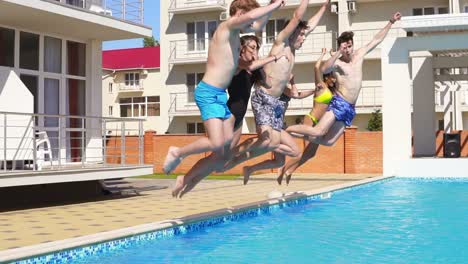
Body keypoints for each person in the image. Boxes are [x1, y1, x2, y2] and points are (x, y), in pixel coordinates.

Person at [162, 0, 285, 178]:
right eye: (249, 19)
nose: (252, 25)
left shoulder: (235, 39)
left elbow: (257, 22)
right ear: (239, 13)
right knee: (216, 142)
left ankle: (185, 167)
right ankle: (177, 152)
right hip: (208, 92)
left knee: (227, 141)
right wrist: (274, 5)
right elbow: (252, 17)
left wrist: (272, 8)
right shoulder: (226, 27)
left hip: (219, 95)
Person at [223, 0, 330, 184]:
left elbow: (309, 25)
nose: (304, 39)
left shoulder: (293, 53)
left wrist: (324, 6)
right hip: (264, 97)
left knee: (282, 154)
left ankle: (245, 163)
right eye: (301, 35)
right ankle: (236, 156)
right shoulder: (282, 43)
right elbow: (298, 17)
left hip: (277, 104)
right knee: (266, 142)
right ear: (293, 31)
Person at [173, 35, 287, 197]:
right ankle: (185, 179)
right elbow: (250, 64)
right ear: (242, 48)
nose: (255, 51)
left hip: (239, 119)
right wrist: (274, 57)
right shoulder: (235, 62)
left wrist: (261, 64)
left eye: (257, 48)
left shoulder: (252, 68)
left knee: (222, 160)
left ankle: (192, 181)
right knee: (217, 157)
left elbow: (267, 83)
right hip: (230, 114)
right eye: (252, 48)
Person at [286, 12, 402, 147]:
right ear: (341, 48)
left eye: (349, 46)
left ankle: (296, 133)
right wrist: (338, 53)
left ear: (353, 45)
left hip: (350, 108)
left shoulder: (359, 54)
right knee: (318, 131)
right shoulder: (338, 63)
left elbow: (376, 39)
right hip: (339, 103)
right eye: (345, 48)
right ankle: (286, 130)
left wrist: (391, 22)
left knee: (328, 142)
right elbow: (324, 69)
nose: (348, 50)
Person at [241, 73, 316, 184]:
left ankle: (249, 169)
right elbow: (295, 94)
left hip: (278, 123)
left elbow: (298, 94)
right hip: (273, 124)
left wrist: (313, 91)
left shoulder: (284, 88)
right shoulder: (279, 86)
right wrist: (292, 81)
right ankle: (267, 144)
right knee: (296, 152)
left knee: (279, 162)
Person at [277, 48, 336, 185]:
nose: (334, 79)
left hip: (319, 125)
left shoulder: (332, 91)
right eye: (333, 76)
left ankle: (287, 171)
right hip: (311, 120)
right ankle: (286, 130)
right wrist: (323, 54)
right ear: (327, 77)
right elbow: (316, 67)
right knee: (305, 148)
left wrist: (334, 56)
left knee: (310, 154)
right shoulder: (320, 86)